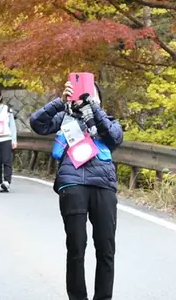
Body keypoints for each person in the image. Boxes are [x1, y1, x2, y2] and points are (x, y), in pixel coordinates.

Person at [30, 78, 124, 300]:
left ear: (99, 99)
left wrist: (93, 109)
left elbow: (114, 138)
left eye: (91, 94)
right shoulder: (64, 118)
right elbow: (37, 123)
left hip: (103, 186)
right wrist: (60, 102)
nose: (84, 98)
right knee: (76, 247)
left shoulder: (108, 121)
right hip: (72, 184)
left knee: (106, 248)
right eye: (81, 94)